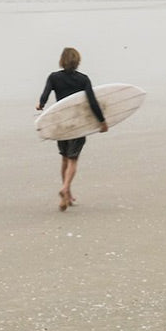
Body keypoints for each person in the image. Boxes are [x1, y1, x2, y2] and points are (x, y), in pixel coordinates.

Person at [37, 47, 108, 211]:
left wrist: (40, 105)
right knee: (73, 159)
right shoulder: (83, 79)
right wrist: (102, 121)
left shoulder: (54, 77)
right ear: (77, 61)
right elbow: (92, 102)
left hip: (60, 124)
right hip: (78, 125)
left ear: (62, 60)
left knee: (64, 158)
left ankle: (66, 196)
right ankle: (65, 188)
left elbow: (45, 95)